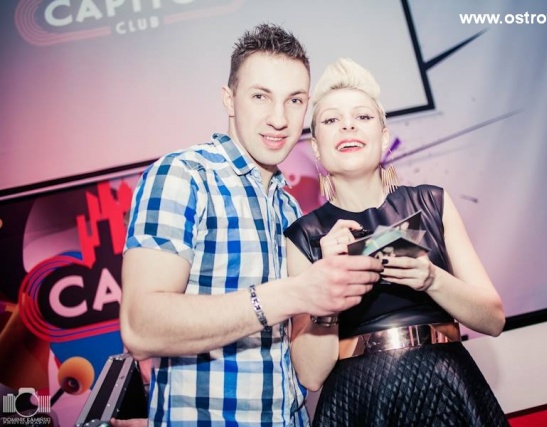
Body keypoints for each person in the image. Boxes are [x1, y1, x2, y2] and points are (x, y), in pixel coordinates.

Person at [119, 27, 383, 426]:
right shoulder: (185, 175)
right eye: (260, 96)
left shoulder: (289, 207)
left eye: (294, 101)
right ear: (229, 99)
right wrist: (293, 292)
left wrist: (326, 303)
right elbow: (140, 327)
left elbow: (309, 376)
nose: (278, 119)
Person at [285, 58, 509, 426]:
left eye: (362, 116)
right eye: (331, 120)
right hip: (360, 401)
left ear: (384, 137)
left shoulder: (433, 202)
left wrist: (433, 279)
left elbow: (494, 320)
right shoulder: (305, 237)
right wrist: (328, 289)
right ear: (317, 149)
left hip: (445, 388)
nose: (348, 125)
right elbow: (310, 375)